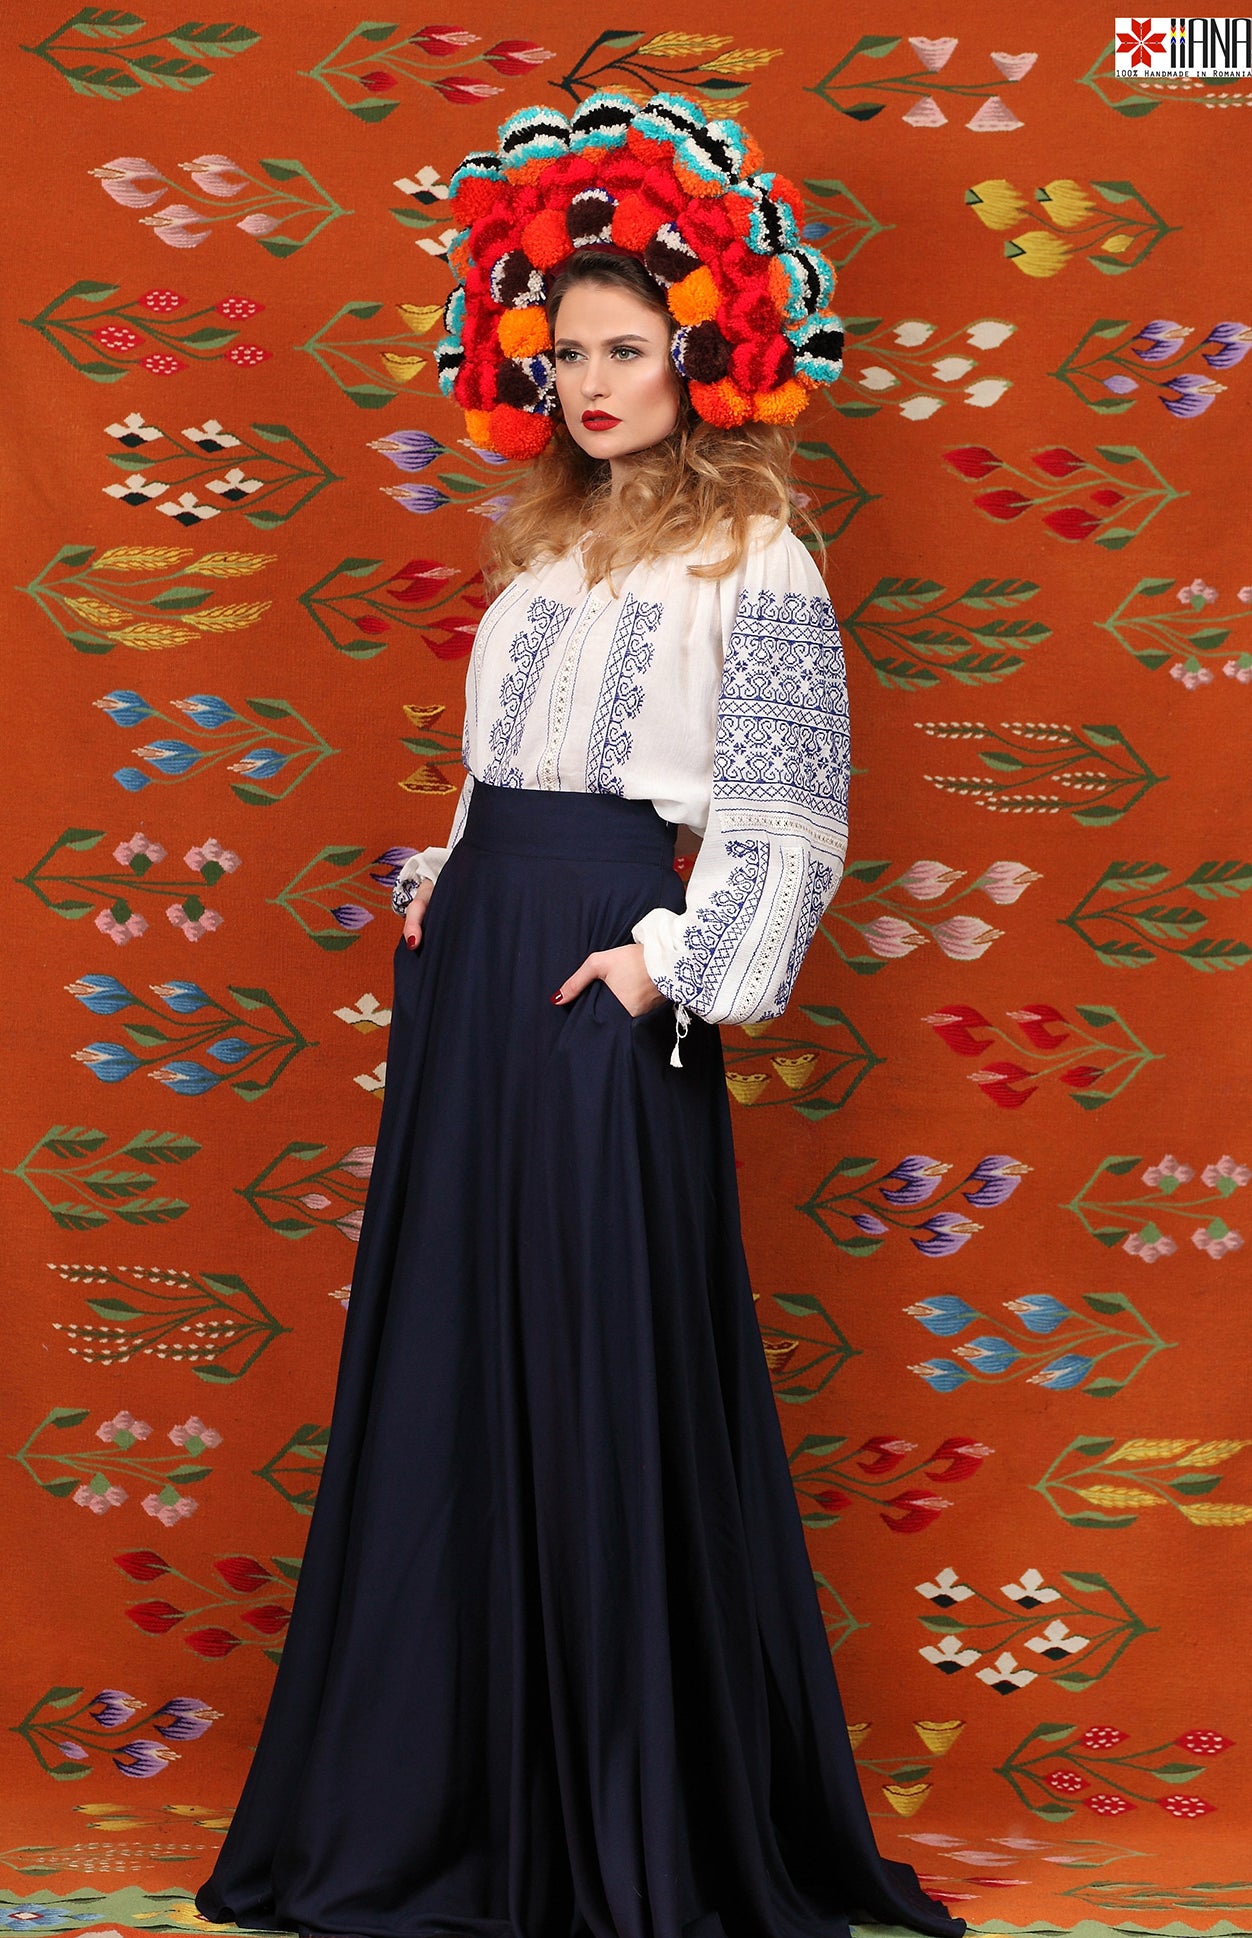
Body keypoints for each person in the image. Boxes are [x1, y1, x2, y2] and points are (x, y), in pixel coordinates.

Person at [195, 89, 965, 1938]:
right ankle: (445, 1797)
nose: (592, 383)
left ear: (700, 354)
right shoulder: (543, 550)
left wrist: (671, 962)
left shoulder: (755, 559)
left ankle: (620, 1813)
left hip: (606, 968)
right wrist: (441, 877)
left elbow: (787, 807)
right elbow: (499, 769)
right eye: (568, 353)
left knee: (599, 1349)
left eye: (626, 349)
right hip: (479, 968)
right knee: (459, 1351)